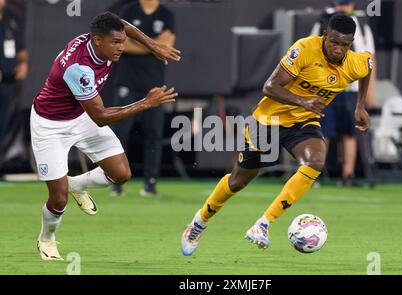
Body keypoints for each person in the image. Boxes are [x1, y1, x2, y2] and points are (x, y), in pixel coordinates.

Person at [180, 14, 373, 256]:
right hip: (268, 121)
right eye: (334, 42)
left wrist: (360, 106)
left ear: (352, 43)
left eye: (345, 45)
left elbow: (368, 67)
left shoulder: (355, 62)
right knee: (238, 181)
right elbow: (270, 87)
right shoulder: (304, 49)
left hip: (303, 121)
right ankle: (198, 223)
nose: (338, 49)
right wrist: (304, 100)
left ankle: (263, 224)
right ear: (325, 35)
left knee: (315, 161)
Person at [31, 12, 180, 261]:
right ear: (98, 41)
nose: (122, 47)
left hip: (80, 116)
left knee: (121, 174)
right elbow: (100, 116)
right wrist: (145, 103)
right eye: (116, 43)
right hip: (51, 125)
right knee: (58, 199)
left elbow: (123, 25)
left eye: (122, 42)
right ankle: (47, 239)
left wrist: (153, 46)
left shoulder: (100, 39)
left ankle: (75, 185)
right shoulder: (79, 68)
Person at [111, 0, 176, 197]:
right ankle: (116, 181)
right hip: (128, 82)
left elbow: (168, 44)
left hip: (154, 84)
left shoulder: (166, 14)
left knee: (153, 135)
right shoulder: (128, 11)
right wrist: (155, 46)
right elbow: (122, 44)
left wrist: (139, 43)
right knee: (120, 135)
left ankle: (150, 183)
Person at [311, 0, 375, 186]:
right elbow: (311, 53)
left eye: (346, 3)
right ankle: (315, 173)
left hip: (352, 87)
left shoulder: (361, 25)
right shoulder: (322, 22)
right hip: (325, 87)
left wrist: (369, 91)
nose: (343, 6)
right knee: (323, 130)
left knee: (350, 131)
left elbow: (369, 59)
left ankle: (348, 174)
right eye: (340, 3)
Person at [0, 0, 28, 151]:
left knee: (2, 125)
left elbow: (21, 49)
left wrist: (24, 63)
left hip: (8, 82)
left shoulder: (10, 22)